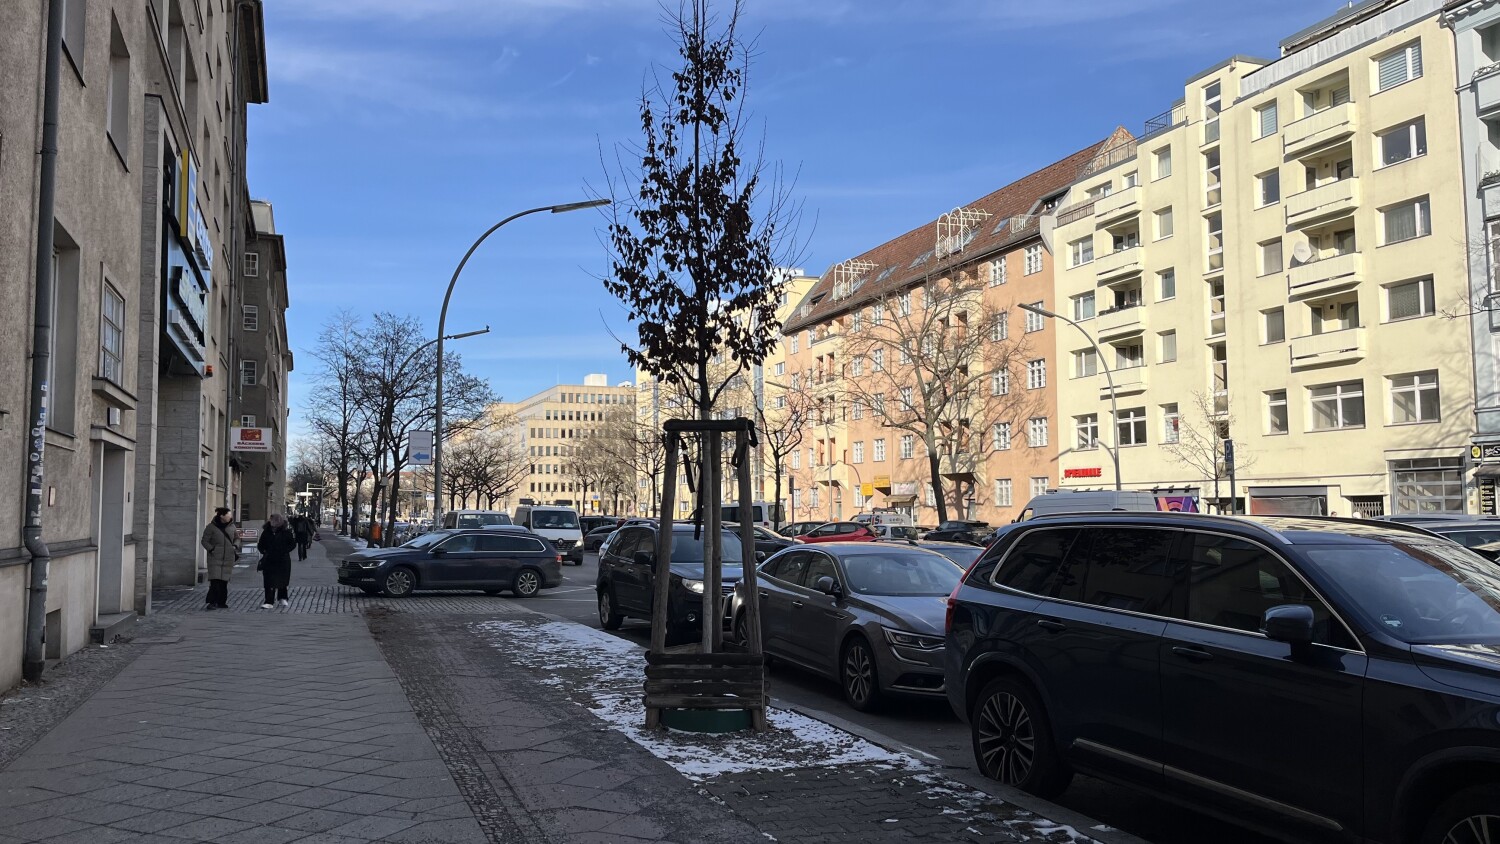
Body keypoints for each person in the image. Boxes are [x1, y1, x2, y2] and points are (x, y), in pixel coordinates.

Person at [256, 513, 298, 609]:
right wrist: (264, 551)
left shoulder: (286, 532)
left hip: (282, 559)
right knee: (269, 581)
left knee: (282, 580)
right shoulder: (266, 532)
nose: (273, 522)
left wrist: (284, 550)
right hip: (269, 559)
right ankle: (269, 601)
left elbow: (292, 544)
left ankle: (282, 597)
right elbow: (261, 544)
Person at [200, 507, 238, 610]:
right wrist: (212, 549)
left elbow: (237, 538)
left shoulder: (232, 527)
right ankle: (212, 602)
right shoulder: (211, 527)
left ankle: (222, 602)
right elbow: (204, 541)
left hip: (228, 558)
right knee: (215, 581)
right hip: (215, 558)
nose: (230, 516)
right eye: (228, 514)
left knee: (224, 582)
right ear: (222, 516)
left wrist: (235, 546)